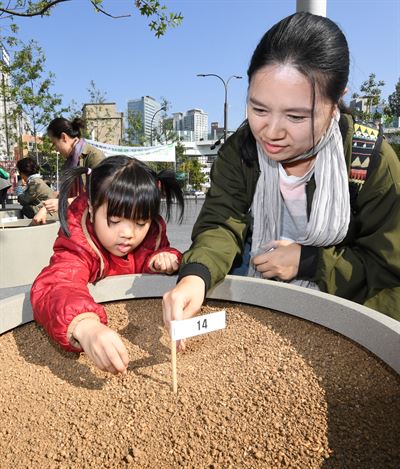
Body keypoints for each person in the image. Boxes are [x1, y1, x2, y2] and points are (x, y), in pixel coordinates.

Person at [163, 11, 400, 343]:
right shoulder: (241, 149)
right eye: (258, 109)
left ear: (336, 102)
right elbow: (221, 223)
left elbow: (388, 271)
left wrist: (310, 262)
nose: (271, 132)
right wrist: (196, 275)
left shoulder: (369, 160)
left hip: (344, 320)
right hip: (260, 308)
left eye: (296, 116)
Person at [31, 155, 184, 374]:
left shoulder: (152, 236)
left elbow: (147, 256)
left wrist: (164, 258)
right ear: (92, 210)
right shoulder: (79, 245)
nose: (128, 234)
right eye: (114, 221)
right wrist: (85, 326)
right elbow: (57, 283)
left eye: (141, 223)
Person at [33, 116, 105, 223]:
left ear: (64, 137)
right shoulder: (69, 163)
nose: (55, 149)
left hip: (93, 222)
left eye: (54, 143)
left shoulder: (94, 156)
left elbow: (101, 194)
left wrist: (64, 202)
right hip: (75, 220)